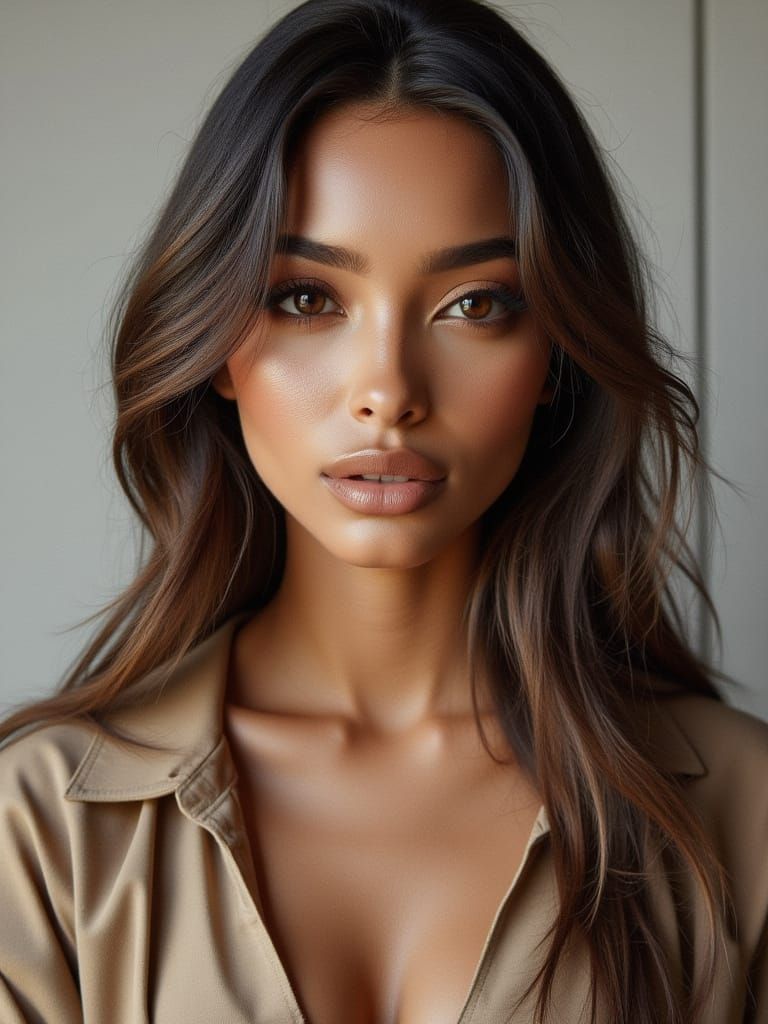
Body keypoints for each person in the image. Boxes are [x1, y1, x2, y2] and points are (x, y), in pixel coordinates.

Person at [1, 0, 766, 1021]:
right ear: (215, 341)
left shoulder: (740, 814)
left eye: (476, 303)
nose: (387, 388)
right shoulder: (37, 831)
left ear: (556, 358)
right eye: (307, 297)